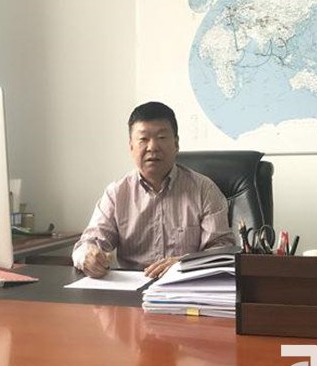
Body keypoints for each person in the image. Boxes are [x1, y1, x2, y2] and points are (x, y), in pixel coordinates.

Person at [72, 101, 235, 278]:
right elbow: (88, 243)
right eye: (143, 139)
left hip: (187, 284)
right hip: (132, 288)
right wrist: (88, 256)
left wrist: (184, 263)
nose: (152, 147)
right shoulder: (116, 194)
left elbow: (222, 249)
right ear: (131, 146)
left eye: (161, 137)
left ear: (176, 144)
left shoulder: (204, 190)